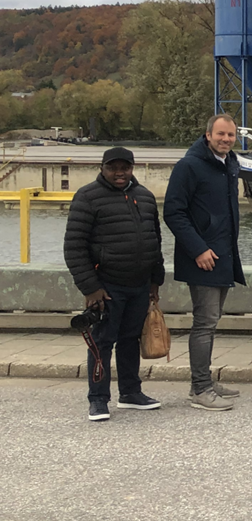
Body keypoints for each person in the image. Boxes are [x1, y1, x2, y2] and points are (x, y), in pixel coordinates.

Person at [64, 146, 165, 421]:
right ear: (102, 168)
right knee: (101, 342)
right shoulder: (87, 197)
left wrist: (156, 279)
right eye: (113, 167)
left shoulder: (143, 196)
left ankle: (131, 392)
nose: (119, 173)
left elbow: (155, 240)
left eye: (125, 167)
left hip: (140, 284)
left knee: (131, 340)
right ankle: (98, 399)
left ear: (132, 168)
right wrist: (91, 288)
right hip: (106, 285)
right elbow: (74, 247)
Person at [164, 113, 247, 411]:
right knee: (205, 323)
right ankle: (200, 388)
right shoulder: (189, 166)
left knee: (211, 322)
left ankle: (205, 382)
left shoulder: (229, 164)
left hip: (223, 255)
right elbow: (173, 212)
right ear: (208, 134)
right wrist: (198, 249)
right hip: (203, 259)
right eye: (221, 134)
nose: (226, 139)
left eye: (231, 135)